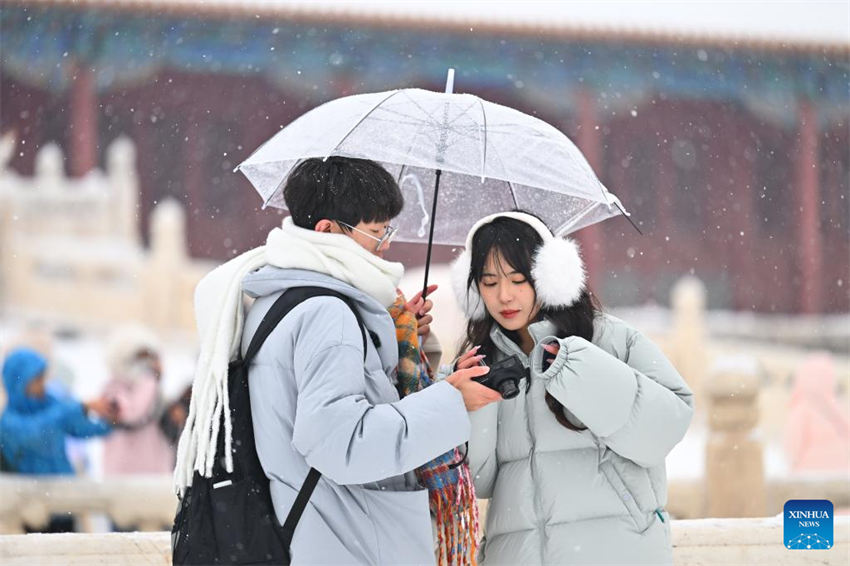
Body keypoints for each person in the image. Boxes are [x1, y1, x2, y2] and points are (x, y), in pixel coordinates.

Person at [174, 156, 499, 565]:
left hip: (309, 533)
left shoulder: (278, 298)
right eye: (377, 232)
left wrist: (399, 339)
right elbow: (341, 444)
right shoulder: (328, 313)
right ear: (328, 230)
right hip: (344, 540)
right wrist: (451, 400)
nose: (386, 245)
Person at [450, 211, 694, 565]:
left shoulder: (607, 338)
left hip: (614, 552)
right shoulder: (479, 362)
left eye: (518, 279)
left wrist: (574, 367)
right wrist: (466, 398)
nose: (504, 296)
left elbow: (665, 427)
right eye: (489, 283)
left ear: (550, 277)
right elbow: (476, 483)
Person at [0, 347, 117, 532]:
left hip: (63, 503)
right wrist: (81, 406)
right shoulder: (7, 421)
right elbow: (35, 433)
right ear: (19, 382)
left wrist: (110, 420)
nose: (42, 385)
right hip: (29, 511)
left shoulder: (49, 403)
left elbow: (79, 427)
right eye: (36, 379)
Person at [101, 324, 173, 476]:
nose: (148, 366)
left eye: (151, 358)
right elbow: (131, 414)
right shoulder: (113, 390)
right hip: (124, 476)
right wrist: (149, 379)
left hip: (155, 474)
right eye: (141, 359)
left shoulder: (155, 391)